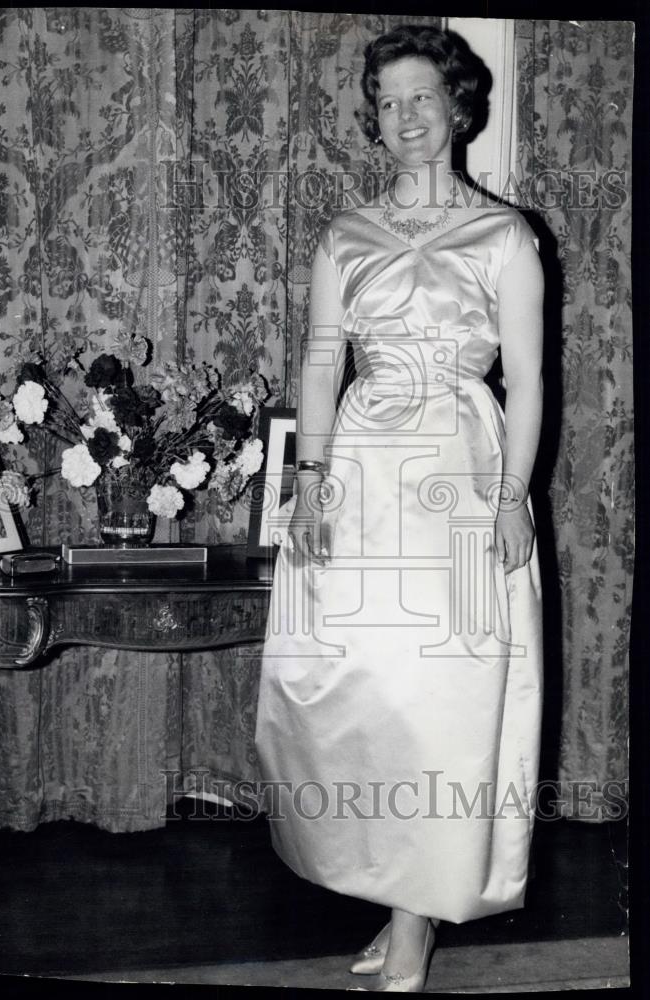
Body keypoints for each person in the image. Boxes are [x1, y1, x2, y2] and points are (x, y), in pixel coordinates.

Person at [255, 25, 544, 993]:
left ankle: (415, 925)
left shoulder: (506, 237)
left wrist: (512, 498)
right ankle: (397, 901)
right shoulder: (344, 236)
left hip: (461, 477)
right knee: (364, 695)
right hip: (362, 469)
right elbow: (319, 360)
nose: (404, 119)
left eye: (420, 98)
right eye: (385, 103)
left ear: (457, 106)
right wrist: (306, 481)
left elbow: (533, 380)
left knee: (441, 704)